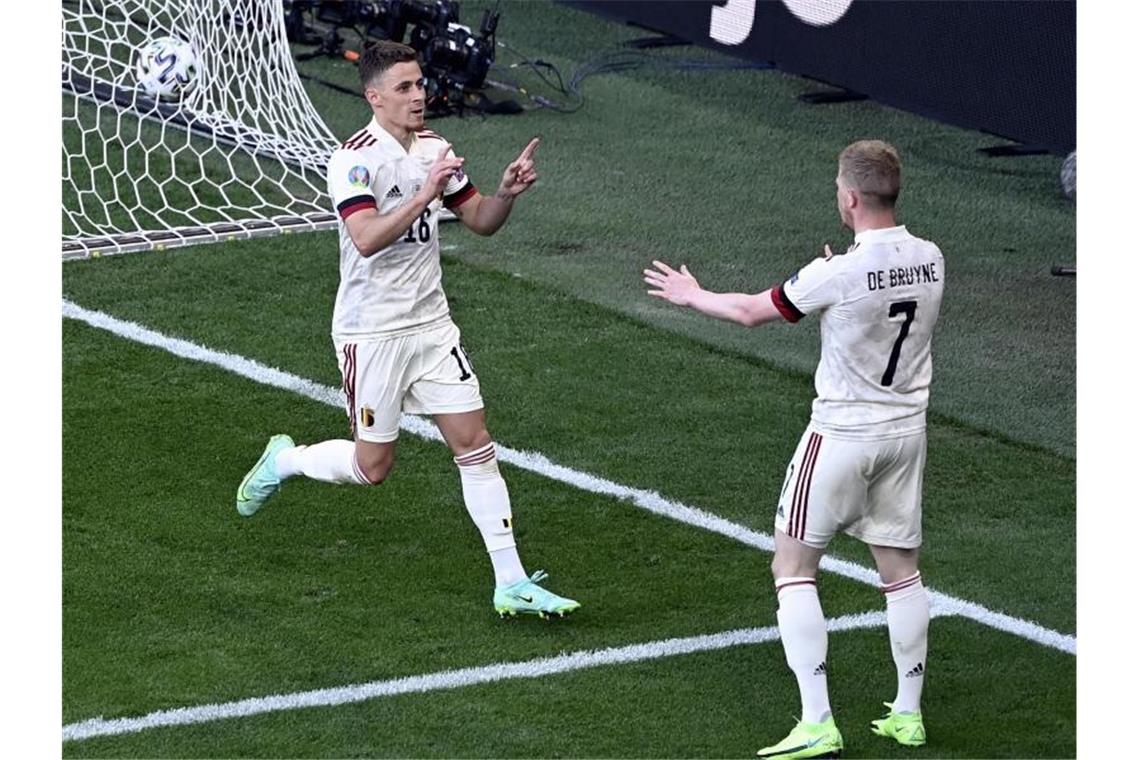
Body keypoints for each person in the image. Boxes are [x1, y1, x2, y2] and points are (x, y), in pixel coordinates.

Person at [235, 40, 579, 620]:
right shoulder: (353, 161)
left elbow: (481, 222)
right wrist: (425, 194)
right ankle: (284, 461)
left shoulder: (437, 149)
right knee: (374, 468)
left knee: (475, 443)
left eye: (420, 85)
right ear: (375, 97)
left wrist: (506, 194)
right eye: (405, 88)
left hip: (431, 327)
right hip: (372, 334)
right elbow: (366, 239)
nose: (420, 95)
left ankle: (511, 580)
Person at [644, 140, 942, 758]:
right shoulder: (932, 258)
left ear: (851, 196)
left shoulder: (834, 273)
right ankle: (908, 715)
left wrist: (690, 295)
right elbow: (877, 302)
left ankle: (816, 720)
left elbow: (754, 312)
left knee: (792, 569)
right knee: (901, 571)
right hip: (906, 436)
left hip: (840, 437)